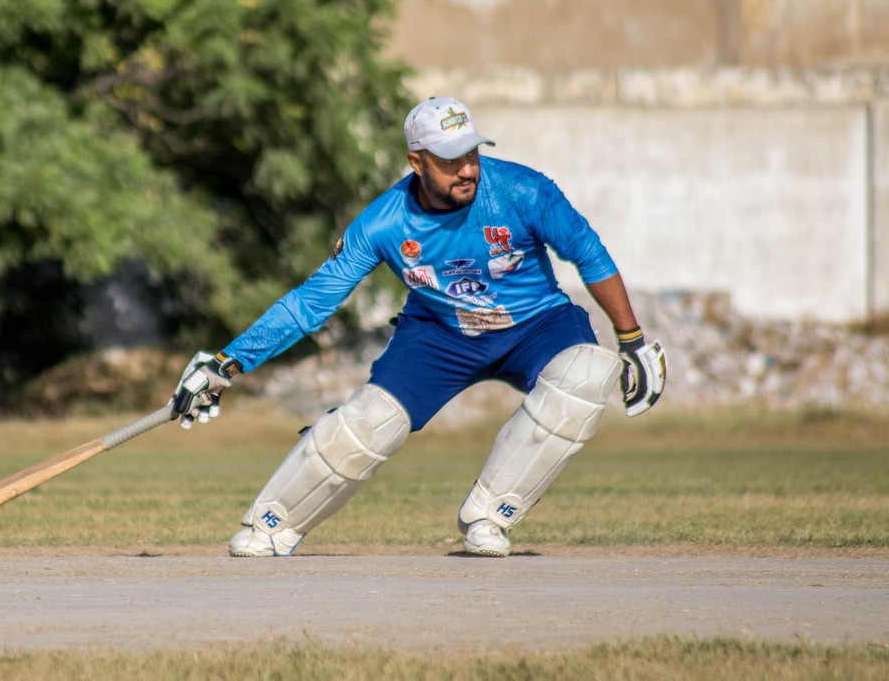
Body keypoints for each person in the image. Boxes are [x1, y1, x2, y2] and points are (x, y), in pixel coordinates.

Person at [170, 95, 667, 557]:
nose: (467, 169)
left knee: (586, 375)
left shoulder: (524, 190)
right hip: (439, 334)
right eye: (450, 160)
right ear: (417, 162)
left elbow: (589, 255)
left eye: (471, 153)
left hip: (537, 324)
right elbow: (310, 304)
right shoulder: (382, 223)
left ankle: (489, 518)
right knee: (368, 423)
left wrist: (632, 342)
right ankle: (272, 525)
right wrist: (226, 362)